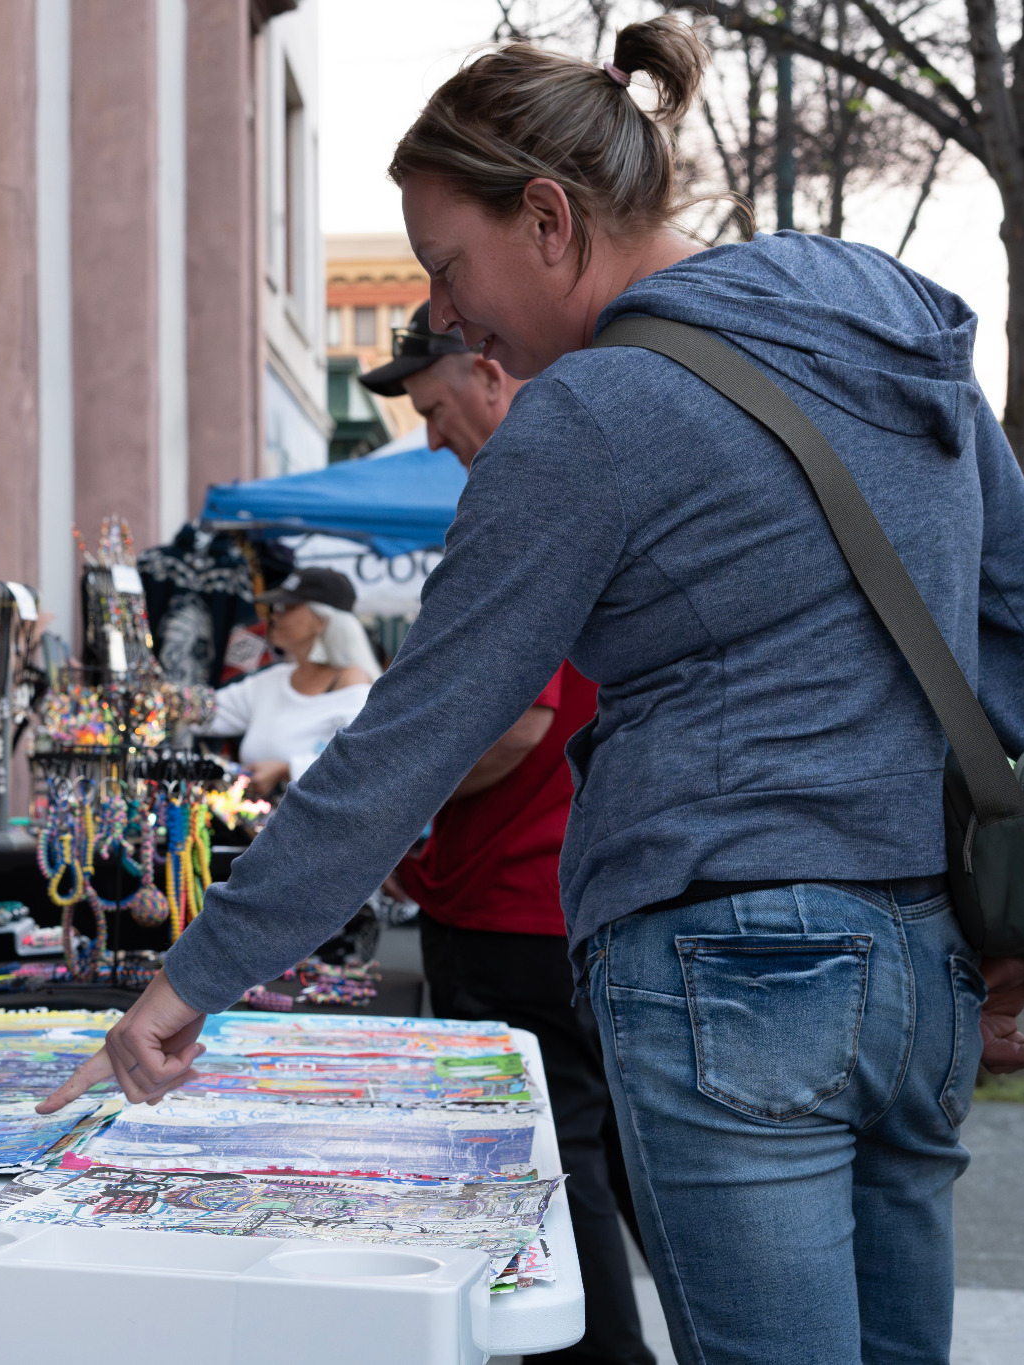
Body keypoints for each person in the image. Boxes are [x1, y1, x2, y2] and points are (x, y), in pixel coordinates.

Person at [44, 17, 1024, 1364]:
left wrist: (188, 984)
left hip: (731, 962)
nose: (446, 317)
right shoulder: (878, 308)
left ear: (548, 216)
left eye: (446, 266)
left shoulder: (590, 414)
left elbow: (412, 739)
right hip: (924, 959)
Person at [367, 318, 651, 1365]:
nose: (435, 439)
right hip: (579, 901)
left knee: (548, 1177)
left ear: (488, 375)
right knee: (617, 1163)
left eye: (436, 411)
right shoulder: (603, 469)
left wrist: (394, 804)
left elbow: (516, 717)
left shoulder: (530, 490)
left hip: (515, 908)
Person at [198, 566, 378, 795]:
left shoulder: (356, 688)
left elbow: (361, 764)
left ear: (321, 621)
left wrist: (287, 769)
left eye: (287, 607)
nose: (274, 615)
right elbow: (208, 710)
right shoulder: (274, 680)